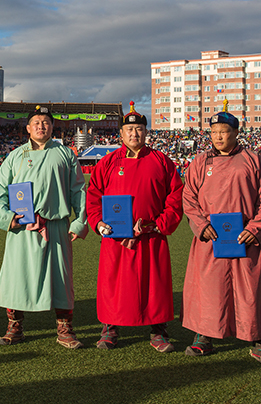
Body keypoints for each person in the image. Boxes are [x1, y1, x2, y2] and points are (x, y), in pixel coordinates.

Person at [182, 100, 261, 365]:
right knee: (209, 288)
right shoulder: (200, 162)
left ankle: (259, 339)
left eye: (223, 131)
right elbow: (188, 198)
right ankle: (204, 335)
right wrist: (201, 226)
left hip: (244, 238)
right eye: (213, 133)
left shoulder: (253, 161)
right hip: (210, 238)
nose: (218, 137)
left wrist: (255, 229)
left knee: (250, 289)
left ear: (236, 133)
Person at [86, 102, 183, 352]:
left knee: (155, 285)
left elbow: (175, 195)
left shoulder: (161, 161)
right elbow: (93, 197)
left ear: (145, 132)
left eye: (139, 129)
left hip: (151, 236)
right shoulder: (107, 163)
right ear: (121, 134)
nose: (134, 134)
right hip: (116, 240)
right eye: (129, 130)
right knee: (113, 285)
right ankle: (110, 329)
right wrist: (98, 223)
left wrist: (162, 223)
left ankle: (158, 330)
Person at [0, 105, 88, 348]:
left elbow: (79, 190)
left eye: (46, 122)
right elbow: (0, 189)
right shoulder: (15, 155)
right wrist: (8, 217)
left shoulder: (65, 154)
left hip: (55, 226)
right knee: (17, 276)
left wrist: (79, 222)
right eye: (36, 122)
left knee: (61, 278)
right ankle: (15, 326)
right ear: (28, 128)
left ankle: (65, 328)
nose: (41, 126)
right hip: (22, 228)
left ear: (52, 127)